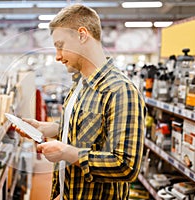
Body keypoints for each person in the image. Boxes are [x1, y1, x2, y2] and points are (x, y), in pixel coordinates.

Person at [15, 4, 146, 200]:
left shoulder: (120, 90)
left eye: (61, 45)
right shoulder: (80, 84)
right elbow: (87, 129)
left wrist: (66, 153)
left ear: (82, 35)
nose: (58, 56)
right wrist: (46, 128)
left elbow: (126, 166)